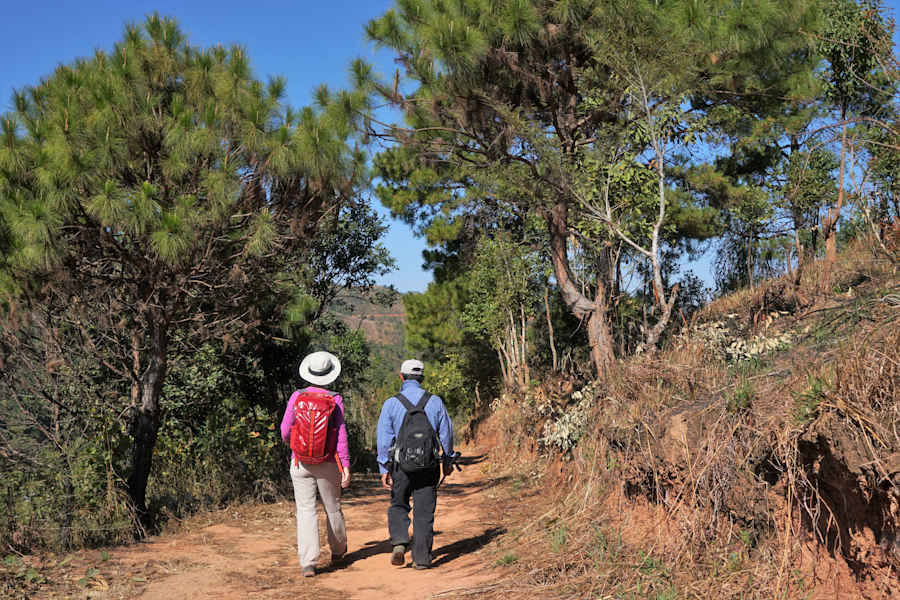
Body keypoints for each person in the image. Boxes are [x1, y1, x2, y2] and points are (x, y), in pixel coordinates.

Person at [376, 359, 454, 569]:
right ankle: (421, 559)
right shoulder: (435, 402)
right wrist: (447, 460)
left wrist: (384, 467)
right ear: (422, 379)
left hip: (400, 466)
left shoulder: (391, 403)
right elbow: (446, 435)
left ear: (401, 377)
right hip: (428, 466)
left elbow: (383, 440)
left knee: (399, 504)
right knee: (424, 511)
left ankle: (400, 543)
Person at [280, 351, 351, 578]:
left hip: (300, 462)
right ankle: (338, 551)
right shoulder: (335, 399)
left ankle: (308, 562)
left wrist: (297, 447)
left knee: (305, 510)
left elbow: (285, 431)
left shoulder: (297, 396)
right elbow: (340, 436)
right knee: (333, 507)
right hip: (328, 463)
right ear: (330, 375)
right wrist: (345, 465)